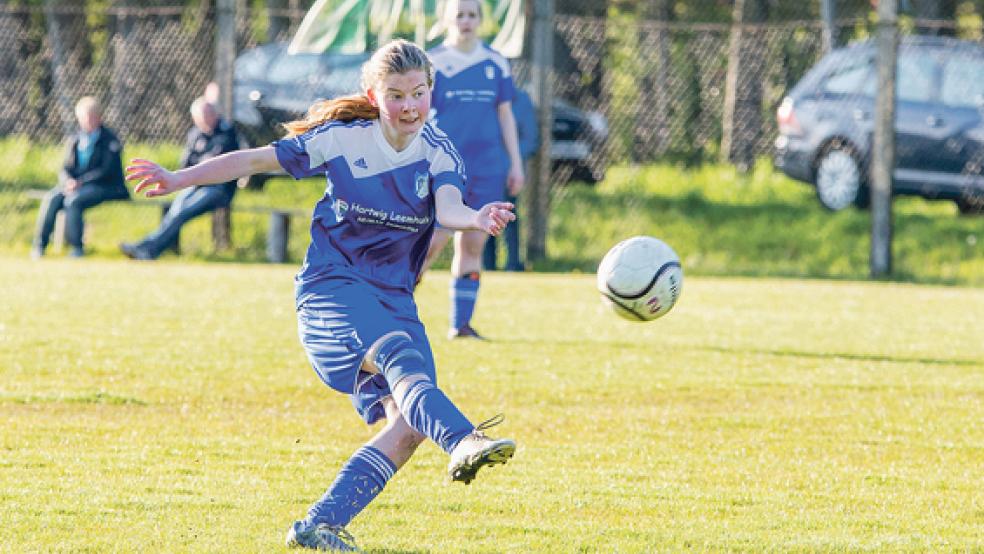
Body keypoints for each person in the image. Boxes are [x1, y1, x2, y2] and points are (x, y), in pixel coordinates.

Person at [124, 40, 517, 552]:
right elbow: (254, 160)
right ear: (372, 95)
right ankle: (465, 439)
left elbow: (447, 205)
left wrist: (475, 217)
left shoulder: (439, 149)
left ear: (430, 92)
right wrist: (180, 178)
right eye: (396, 95)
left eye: (419, 93)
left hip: (394, 299)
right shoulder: (342, 139)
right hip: (332, 291)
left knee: (407, 426)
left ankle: (318, 525)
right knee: (403, 364)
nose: (410, 107)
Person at [420, 0, 526, 339]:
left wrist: (516, 164)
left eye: (472, 15)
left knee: (473, 246)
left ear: (481, 21)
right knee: (430, 244)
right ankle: (396, 312)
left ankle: (460, 324)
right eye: (459, 15)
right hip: (444, 168)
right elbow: (419, 118)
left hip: (487, 167)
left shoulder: (495, 61)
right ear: (448, 20)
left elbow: (505, 115)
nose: (466, 21)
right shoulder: (433, 63)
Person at [119, 97, 239, 260]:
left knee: (181, 212)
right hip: (196, 184)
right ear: (195, 119)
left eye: (207, 115)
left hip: (219, 188)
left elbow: (215, 163)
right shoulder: (195, 134)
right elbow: (186, 163)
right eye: (200, 117)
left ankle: (148, 249)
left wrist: (198, 164)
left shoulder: (227, 131)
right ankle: (147, 247)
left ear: (214, 114)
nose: (205, 120)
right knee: (174, 211)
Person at [32, 96, 128, 258]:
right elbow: (65, 168)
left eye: (92, 117)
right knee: (52, 198)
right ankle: (39, 245)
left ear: (99, 117)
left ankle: (76, 248)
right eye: (84, 118)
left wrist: (81, 182)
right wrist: (68, 181)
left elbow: (107, 170)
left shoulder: (109, 140)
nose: (88, 122)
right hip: (78, 186)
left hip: (107, 186)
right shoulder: (76, 139)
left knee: (73, 201)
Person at [482, 87, 538, 272]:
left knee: (509, 216)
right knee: (486, 215)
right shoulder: (484, 99)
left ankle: (512, 264)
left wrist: (508, 161)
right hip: (484, 169)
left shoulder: (522, 100)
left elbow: (530, 139)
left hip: (508, 171)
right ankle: (487, 265)